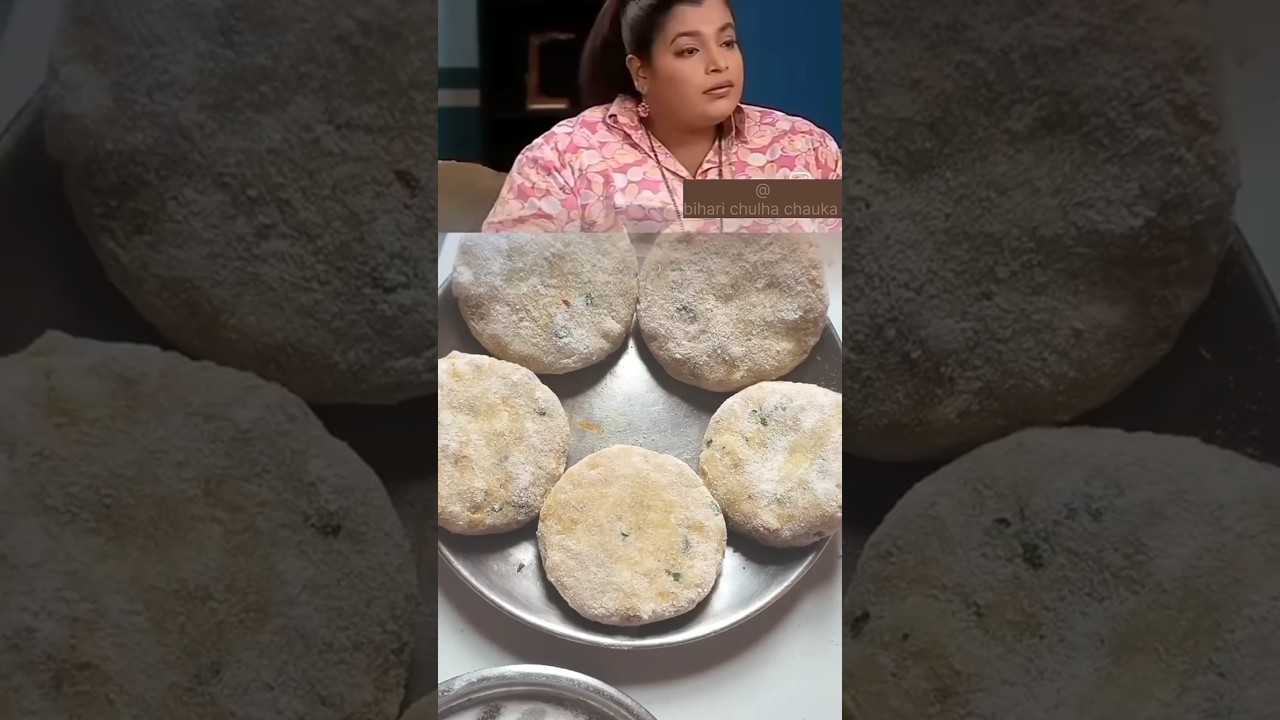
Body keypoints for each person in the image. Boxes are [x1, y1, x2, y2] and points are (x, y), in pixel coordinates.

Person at [482, 0, 842, 234]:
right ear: (641, 72)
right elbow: (505, 278)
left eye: (727, 42)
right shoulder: (563, 158)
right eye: (690, 50)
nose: (719, 63)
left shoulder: (803, 149)